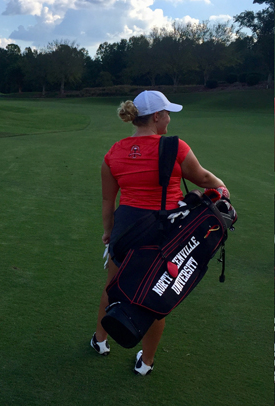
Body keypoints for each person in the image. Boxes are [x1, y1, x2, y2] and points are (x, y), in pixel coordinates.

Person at [92, 90, 228, 375]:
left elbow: (108, 201)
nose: (169, 118)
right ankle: (147, 361)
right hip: (164, 233)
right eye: (167, 113)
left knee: (113, 286)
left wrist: (108, 232)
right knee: (155, 295)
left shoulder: (113, 152)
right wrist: (222, 188)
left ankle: (100, 341)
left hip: (125, 229)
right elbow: (202, 178)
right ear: (156, 116)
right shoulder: (175, 147)